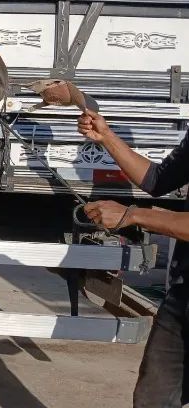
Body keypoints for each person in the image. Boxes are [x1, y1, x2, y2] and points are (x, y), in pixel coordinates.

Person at [78, 108, 189, 407]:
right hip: (183, 296)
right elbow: (157, 179)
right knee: (152, 399)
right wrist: (107, 137)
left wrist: (132, 215)